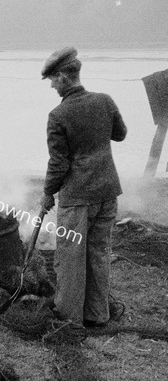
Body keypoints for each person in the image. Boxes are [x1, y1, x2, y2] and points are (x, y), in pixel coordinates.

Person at [40, 46, 127, 328]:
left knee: (70, 257)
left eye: (53, 79)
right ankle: (96, 315)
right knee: (99, 253)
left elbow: (59, 164)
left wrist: (46, 194)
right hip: (107, 191)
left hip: (77, 197)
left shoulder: (58, 115)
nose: (52, 85)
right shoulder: (105, 100)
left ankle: (69, 318)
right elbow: (121, 134)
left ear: (65, 77)